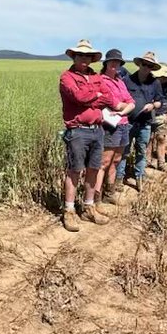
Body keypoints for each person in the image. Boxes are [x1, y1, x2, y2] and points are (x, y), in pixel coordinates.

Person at [58, 38, 108, 231]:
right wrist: (96, 96)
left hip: (97, 129)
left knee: (94, 169)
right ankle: (69, 211)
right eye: (81, 55)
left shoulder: (97, 77)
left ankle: (88, 207)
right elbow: (78, 97)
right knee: (74, 171)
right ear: (75, 56)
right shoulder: (67, 77)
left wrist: (94, 97)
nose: (84, 59)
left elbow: (108, 98)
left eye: (88, 56)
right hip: (77, 130)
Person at [122, 51, 167, 190]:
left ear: (152, 67)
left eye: (150, 65)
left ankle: (139, 178)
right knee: (124, 151)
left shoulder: (155, 82)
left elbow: (160, 101)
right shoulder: (127, 80)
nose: (146, 67)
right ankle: (119, 179)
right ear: (140, 64)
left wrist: (153, 105)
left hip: (145, 123)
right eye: (144, 64)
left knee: (141, 151)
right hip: (128, 122)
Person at [97, 49, 136, 206]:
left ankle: (109, 192)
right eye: (112, 61)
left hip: (122, 123)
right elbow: (111, 102)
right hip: (109, 125)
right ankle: (96, 197)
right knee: (104, 161)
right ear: (106, 63)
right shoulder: (101, 80)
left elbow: (131, 102)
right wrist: (122, 109)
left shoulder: (120, 81)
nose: (115, 64)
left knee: (117, 159)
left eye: (118, 62)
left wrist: (121, 112)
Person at [150, 64, 167, 170]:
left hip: (162, 116)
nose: (165, 79)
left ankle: (161, 163)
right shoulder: (150, 84)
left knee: (161, 138)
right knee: (149, 139)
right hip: (150, 115)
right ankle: (148, 161)